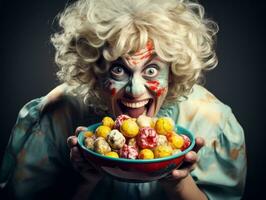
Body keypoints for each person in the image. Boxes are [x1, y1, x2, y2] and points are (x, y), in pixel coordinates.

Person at [0, 0, 246, 199]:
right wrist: (83, 180)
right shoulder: (57, 113)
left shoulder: (212, 121)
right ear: (95, 69)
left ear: (173, 73)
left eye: (151, 70)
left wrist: (178, 182)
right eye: (118, 70)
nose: (135, 90)